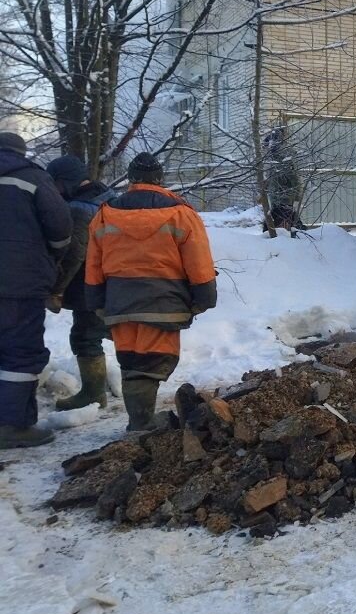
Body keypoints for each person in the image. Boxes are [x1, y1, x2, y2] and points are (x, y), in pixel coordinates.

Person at [85, 153, 217, 430]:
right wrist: (204, 297)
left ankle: (139, 421)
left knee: (131, 361)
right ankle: (142, 425)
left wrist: (96, 301)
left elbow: (93, 264)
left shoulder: (105, 213)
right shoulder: (181, 213)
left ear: (131, 179)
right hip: (164, 302)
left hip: (120, 302)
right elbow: (198, 261)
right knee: (151, 361)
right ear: (159, 178)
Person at [0, 132, 72, 448]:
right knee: (20, 350)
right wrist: (49, 257)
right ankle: (13, 425)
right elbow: (60, 229)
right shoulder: (32, 177)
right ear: (21, 151)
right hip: (19, 281)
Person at [46, 155, 116, 411]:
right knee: (116, 332)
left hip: (90, 284)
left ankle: (93, 393)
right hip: (114, 280)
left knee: (86, 337)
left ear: (64, 182)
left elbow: (74, 254)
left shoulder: (79, 208)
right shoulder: (109, 197)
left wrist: (56, 289)